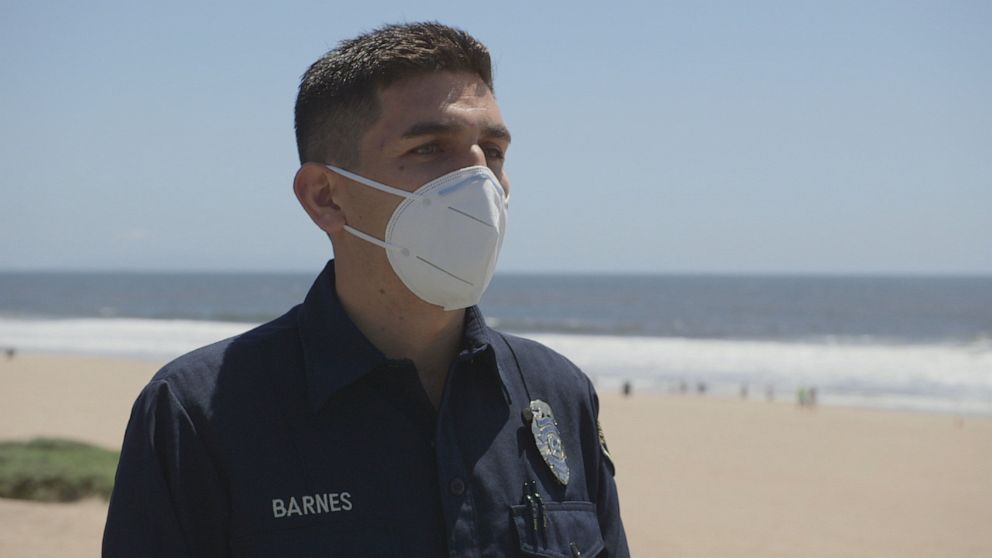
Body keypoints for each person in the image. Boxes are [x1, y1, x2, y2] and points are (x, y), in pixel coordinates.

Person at [103, 22, 629, 557]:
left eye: (492, 151)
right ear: (325, 196)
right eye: (429, 149)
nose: (480, 180)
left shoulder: (557, 394)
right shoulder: (197, 413)